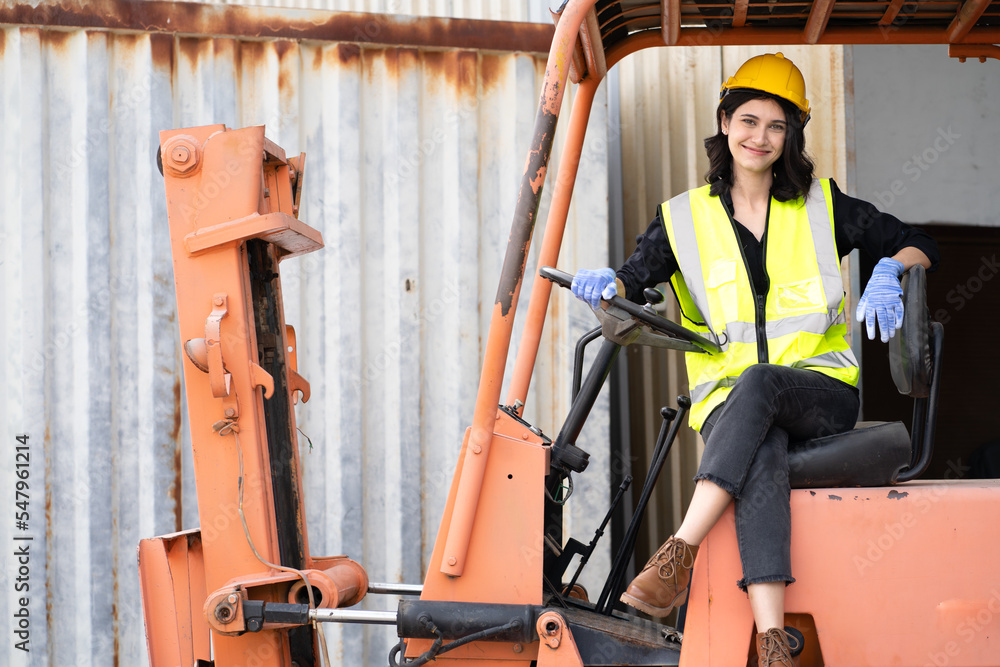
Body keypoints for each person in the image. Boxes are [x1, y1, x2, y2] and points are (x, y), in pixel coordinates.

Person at [571, 53, 939, 666]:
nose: (760, 137)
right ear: (724, 122)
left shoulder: (825, 205)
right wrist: (611, 281)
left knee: (764, 384)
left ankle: (678, 552)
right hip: (727, 406)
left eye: (776, 125)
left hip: (820, 394)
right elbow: (636, 278)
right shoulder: (681, 218)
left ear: (792, 135)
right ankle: (773, 641)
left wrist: (889, 268)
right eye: (748, 120)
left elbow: (920, 241)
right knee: (760, 448)